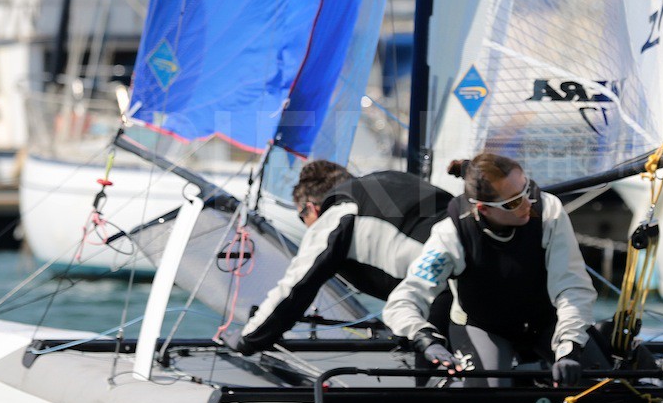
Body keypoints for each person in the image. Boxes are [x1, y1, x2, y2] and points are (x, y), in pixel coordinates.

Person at [382, 152, 601, 387]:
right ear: (483, 209)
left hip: (548, 321)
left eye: (527, 189)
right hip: (483, 326)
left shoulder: (548, 211)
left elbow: (572, 286)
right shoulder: (451, 234)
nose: (527, 203)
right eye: (513, 202)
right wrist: (424, 337)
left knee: (602, 388)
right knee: (489, 395)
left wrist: (569, 348)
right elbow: (404, 299)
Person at [237, 160, 450, 354]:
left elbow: (296, 285)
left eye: (302, 217)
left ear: (311, 207)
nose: (307, 226)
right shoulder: (389, 179)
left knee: (437, 376)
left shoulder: (338, 213)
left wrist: (249, 340)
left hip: (442, 284)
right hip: (470, 254)